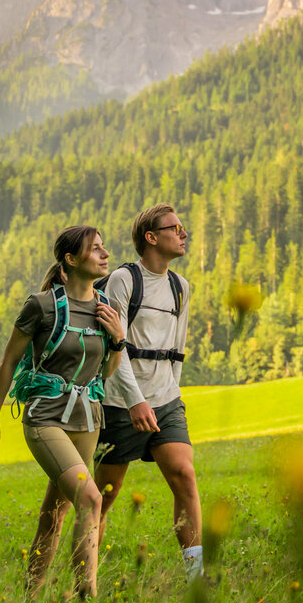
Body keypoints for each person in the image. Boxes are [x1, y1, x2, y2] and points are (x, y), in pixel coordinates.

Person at [0, 226, 125, 599]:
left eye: (103, 247)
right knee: (91, 499)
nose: (104, 254)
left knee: (55, 513)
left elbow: (104, 373)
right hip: (46, 419)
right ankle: (85, 595)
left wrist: (119, 338)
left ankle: (30, 596)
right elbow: (9, 361)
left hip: (88, 420)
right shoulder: (41, 306)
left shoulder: (108, 309)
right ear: (70, 261)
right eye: (95, 249)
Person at [94, 203, 203, 582]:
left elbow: (177, 347)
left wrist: (170, 393)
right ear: (151, 238)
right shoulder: (123, 280)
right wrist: (136, 399)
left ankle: (195, 578)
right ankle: (85, 578)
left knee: (184, 475)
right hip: (120, 403)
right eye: (175, 228)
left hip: (166, 400)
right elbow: (115, 346)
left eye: (182, 227)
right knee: (105, 495)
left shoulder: (180, 287)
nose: (183, 233)